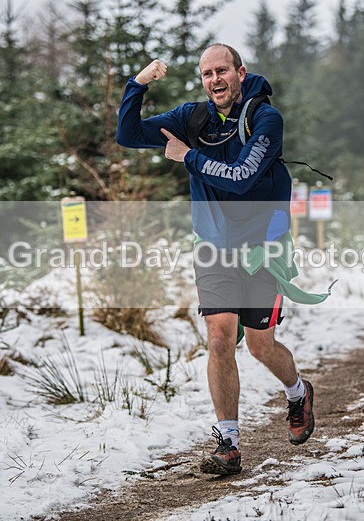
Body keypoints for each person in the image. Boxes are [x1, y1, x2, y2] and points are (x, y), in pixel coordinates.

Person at [116, 44, 315, 476]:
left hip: (264, 248)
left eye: (222, 71)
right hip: (213, 247)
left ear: (240, 73)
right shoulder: (192, 118)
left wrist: (187, 156)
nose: (215, 80)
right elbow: (128, 136)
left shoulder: (266, 119)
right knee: (220, 336)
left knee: (261, 345)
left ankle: (298, 392)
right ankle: (228, 443)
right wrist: (138, 84)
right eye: (207, 74)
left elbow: (243, 177)